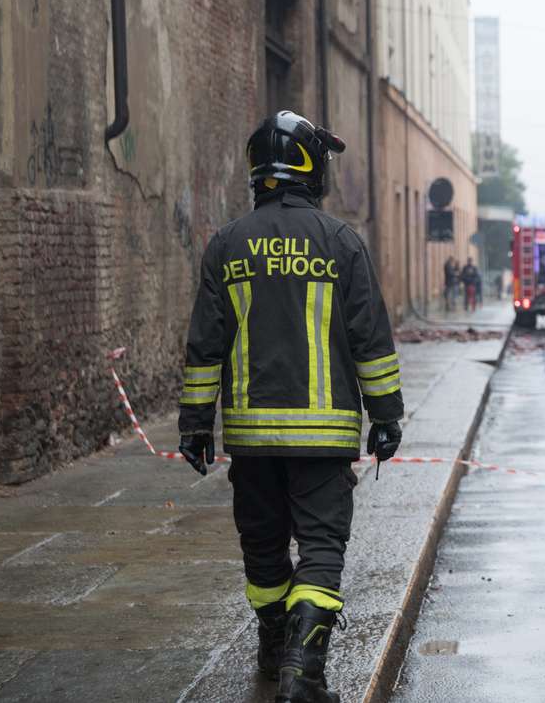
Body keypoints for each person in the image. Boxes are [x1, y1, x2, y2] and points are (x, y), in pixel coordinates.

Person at [177, 111, 403, 703]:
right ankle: (303, 677)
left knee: (263, 547)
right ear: (312, 169)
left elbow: (205, 347)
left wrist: (196, 425)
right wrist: (385, 417)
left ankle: (273, 645)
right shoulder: (341, 242)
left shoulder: (227, 244)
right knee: (322, 549)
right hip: (324, 441)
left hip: (250, 440)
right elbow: (371, 341)